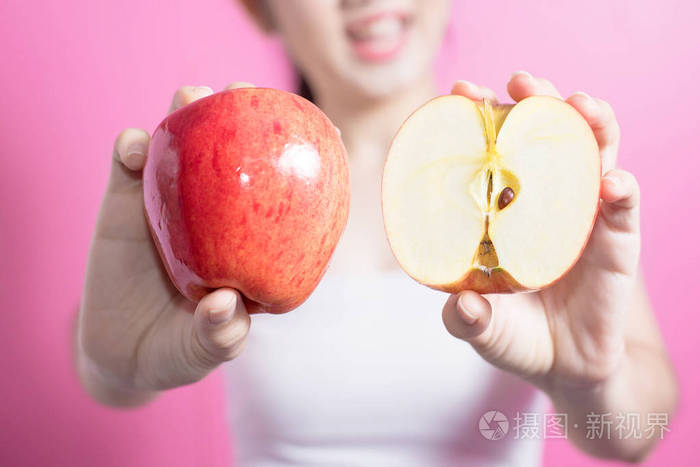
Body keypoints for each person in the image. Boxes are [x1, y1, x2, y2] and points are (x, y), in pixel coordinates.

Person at [76, 1, 678, 465]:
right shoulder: (210, 189)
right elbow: (114, 376)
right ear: (262, 7)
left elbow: (637, 435)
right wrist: (111, 367)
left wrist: (590, 384)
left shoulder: (545, 174)